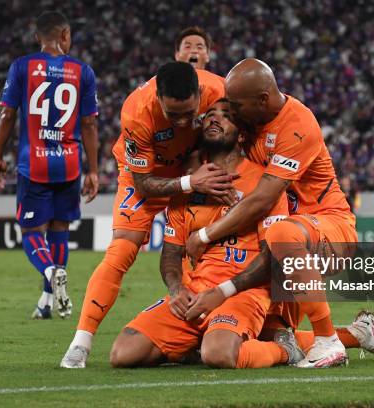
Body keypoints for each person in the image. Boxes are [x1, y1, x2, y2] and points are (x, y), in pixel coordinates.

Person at [184, 58, 374, 368]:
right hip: (285, 243)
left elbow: (265, 197)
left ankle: (328, 343)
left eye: (237, 106)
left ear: (263, 99)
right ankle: (357, 334)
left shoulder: (298, 125)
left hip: (329, 228)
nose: (234, 112)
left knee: (282, 232)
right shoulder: (250, 120)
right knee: (273, 336)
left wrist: (205, 234)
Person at [60, 62, 232, 368]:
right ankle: (81, 342)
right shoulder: (137, 111)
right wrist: (190, 182)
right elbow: (143, 183)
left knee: (209, 249)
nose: (181, 122)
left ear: (201, 94)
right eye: (172, 114)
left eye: (188, 114)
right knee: (123, 248)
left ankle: (202, 335)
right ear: (158, 97)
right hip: (149, 176)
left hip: (196, 171)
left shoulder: (219, 89)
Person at [110, 99, 304, 368]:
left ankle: (286, 351)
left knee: (219, 354)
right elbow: (171, 253)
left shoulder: (264, 184)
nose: (214, 118)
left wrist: (223, 292)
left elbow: (273, 257)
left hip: (242, 292)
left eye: (226, 115)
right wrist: (177, 289)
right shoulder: (188, 185)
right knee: (123, 354)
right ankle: (195, 343)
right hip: (195, 293)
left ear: (242, 134)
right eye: (210, 114)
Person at [0, 11, 99, 320]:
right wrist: (93, 170)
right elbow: (90, 124)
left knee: (31, 231)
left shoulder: (22, 67)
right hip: (69, 165)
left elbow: (7, 115)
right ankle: (47, 301)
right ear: (65, 35)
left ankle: (50, 272)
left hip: (34, 165)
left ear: (38, 36)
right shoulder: (83, 71)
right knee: (60, 228)